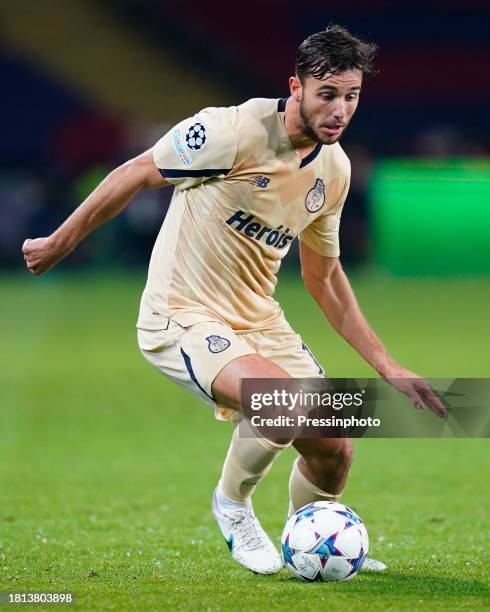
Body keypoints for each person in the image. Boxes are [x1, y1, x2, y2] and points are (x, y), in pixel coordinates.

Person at [22, 25, 446, 575]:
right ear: (295, 87)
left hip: (259, 321)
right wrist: (61, 241)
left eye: (352, 96)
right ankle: (233, 504)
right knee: (282, 400)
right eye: (328, 95)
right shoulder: (231, 130)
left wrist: (385, 364)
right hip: (182, 314)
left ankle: (312, 544)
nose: (340, 110)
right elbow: (134, 173)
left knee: (334, 447)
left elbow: (325, 279)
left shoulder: (333, 171)